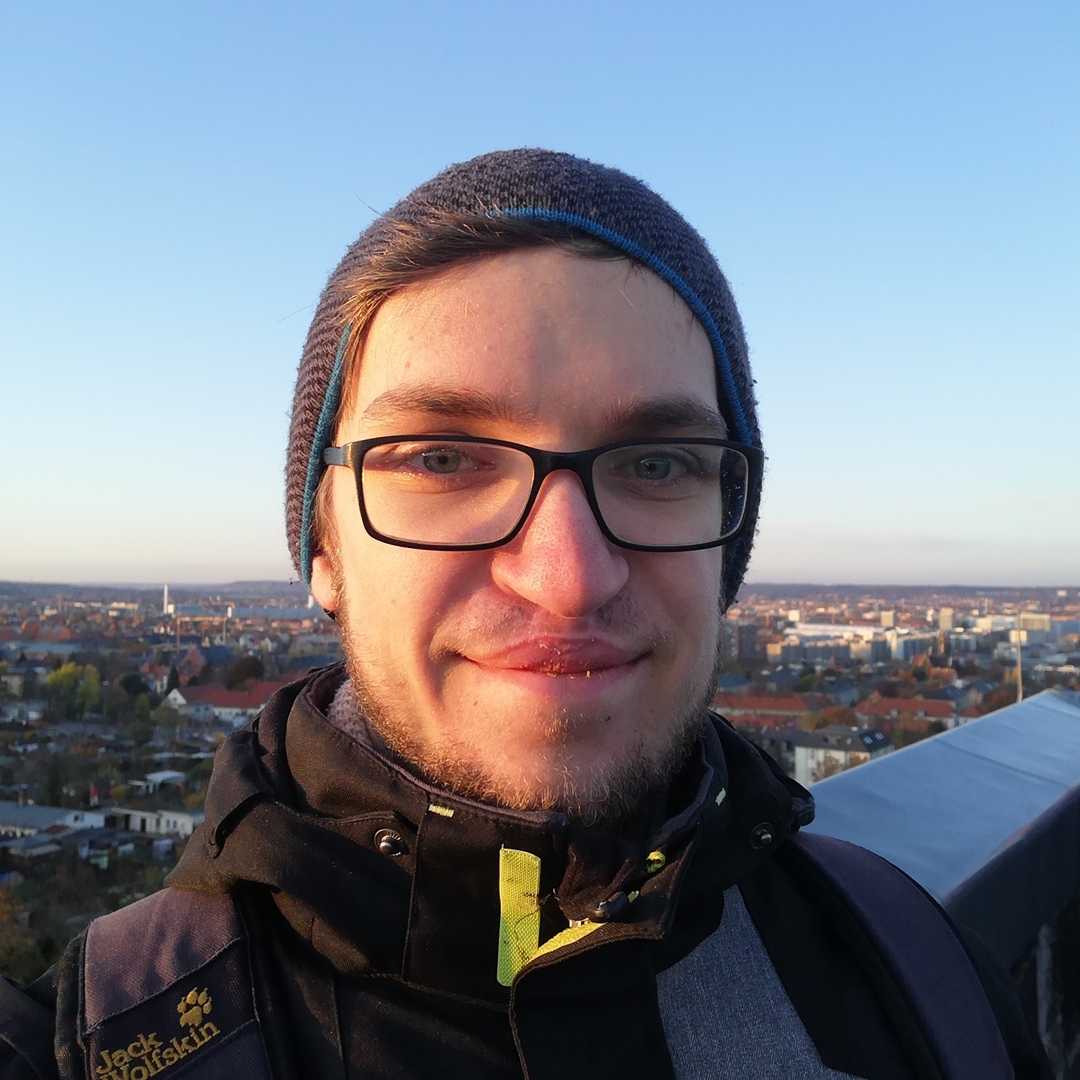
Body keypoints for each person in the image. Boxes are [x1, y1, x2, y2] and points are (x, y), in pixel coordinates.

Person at [0, 150, 1050, 1080]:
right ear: (323, 547)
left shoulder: (919, 979)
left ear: (727, 540)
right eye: (441, 459)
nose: (567, 577)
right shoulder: (90, 1041)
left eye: (656, 463)